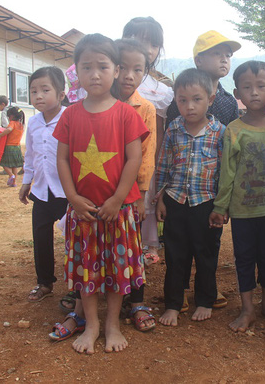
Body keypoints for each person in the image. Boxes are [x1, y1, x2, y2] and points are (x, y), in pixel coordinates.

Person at [53, 33, 148, 354]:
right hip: (82, 212)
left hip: (117, 211)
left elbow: (134, 158)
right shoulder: (69, 115)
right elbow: (62, 159)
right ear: (76, 72)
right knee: (87, 269)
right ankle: (91, 324)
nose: (95, 74)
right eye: (87, 67)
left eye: (103, 66)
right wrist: (72, 198)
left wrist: (118, 199)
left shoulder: (126, 114)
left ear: (116, 70)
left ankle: (113, 324)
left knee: (117, 270)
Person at [209, 60, 265, 333]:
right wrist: (221, 205)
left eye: (261, 86)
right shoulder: (234, 129)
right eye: (247, 87)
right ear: (237, 93)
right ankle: (247, 308)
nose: (254, 92)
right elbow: (227, 171)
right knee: (244, 257)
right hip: (242, 209)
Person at [156, 68, 225, 326]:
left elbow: (226, 174)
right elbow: (164, 166)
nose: (189, 106)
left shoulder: (220, 132)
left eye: (197, 99)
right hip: (176, 201)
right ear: (175, 100)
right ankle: (173, 303)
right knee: (175, 254)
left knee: (206, 253)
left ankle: (205, 300)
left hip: (206, 204)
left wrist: (222, 206)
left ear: (211, 98)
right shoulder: (174, 129)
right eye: (182, 100)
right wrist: (160, 198)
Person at [16, 67, 70, 310]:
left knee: (74, 240)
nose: (38, 96)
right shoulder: (34, 122)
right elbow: (31, 155)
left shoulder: (71, 118)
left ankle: (77, 287)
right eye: (33, 91)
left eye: (44, 90)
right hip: (41, 190)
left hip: (67, 192)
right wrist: (27, 182)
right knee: (41, 237)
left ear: (60, 94)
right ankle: (45, 283)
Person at [122, 17, 173, 267]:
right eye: (139, 39)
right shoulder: (113, 81)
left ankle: (140, 252)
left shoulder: (160, 90)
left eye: (153, 44)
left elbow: (159, 132)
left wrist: (155, 164)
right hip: (110, 159)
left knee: (141, 207)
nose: (147, 48)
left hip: (146, 160)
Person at [114, 38, 157, 332]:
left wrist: (142, 195)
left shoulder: (145, 108)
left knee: (132, 248)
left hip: (130, 194)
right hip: (97, 190)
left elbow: (146, 155)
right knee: (98, 244)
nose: (129, 75)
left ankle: (136, 300)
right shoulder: (93, 104)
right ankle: (85, 294)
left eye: (137, 69)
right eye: (123, 67)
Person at [165, 30, 241, 128]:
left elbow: (232, 138)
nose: (224, 59)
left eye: (228, 55)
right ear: (198, 60)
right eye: (217, 53)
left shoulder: (230, 102)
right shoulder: (182, 98)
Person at [0, 106, 25, 187]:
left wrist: (0, 135)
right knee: (14, 165)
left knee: (4, 163)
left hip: (9, 147)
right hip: (17, 147)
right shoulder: (21, 125)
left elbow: (9, 130)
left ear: (12, 116)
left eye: (9, 116)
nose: (8, 118)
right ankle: (14, 182)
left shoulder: (12, 123)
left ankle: (11, 175)